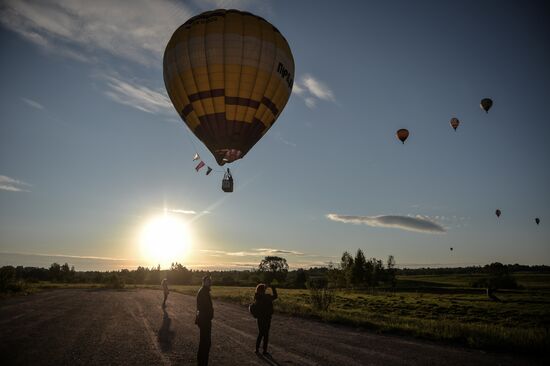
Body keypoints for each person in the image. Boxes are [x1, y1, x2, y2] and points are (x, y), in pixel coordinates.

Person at [254, 283, 278, 355]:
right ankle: (264, 350)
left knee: (261, 333)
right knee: (266, 334)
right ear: (264, 290)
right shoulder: (267, 297)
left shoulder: (257, 296)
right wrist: (273, 288)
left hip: (260, 318)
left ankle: (257, 349)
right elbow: (275, 296)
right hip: (267, 318)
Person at [196, 275, 213, 366]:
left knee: (205, 341)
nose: (209, 282)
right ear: (203, 282)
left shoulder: (204, 291)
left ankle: (201, 361)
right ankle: (202, 362)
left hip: (204, 319)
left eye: (210, 281)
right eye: (207, 281)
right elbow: (204, 307)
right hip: (204, 320)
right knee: (206, 342)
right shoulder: (203, 292)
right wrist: (209, 315)